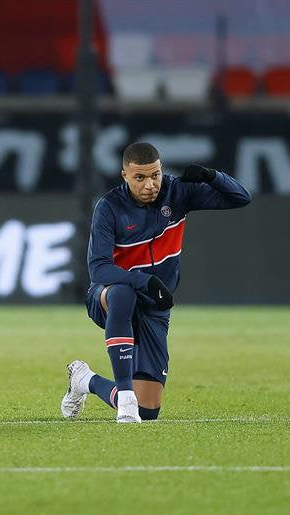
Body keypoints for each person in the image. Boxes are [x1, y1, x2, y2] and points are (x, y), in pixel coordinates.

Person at [61, 142, 251, 423]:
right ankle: (125, 397)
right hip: (108, 297)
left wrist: (212, 176)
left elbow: (241, 197)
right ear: (124, 175)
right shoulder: (109, 207)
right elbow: (99, 270)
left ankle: (85, 379)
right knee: (124, 294)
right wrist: (142, 281)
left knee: (148, 411)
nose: (150, 184)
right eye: (140, 178)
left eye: (155, 175)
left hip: (154, 306)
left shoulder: (177, 193)